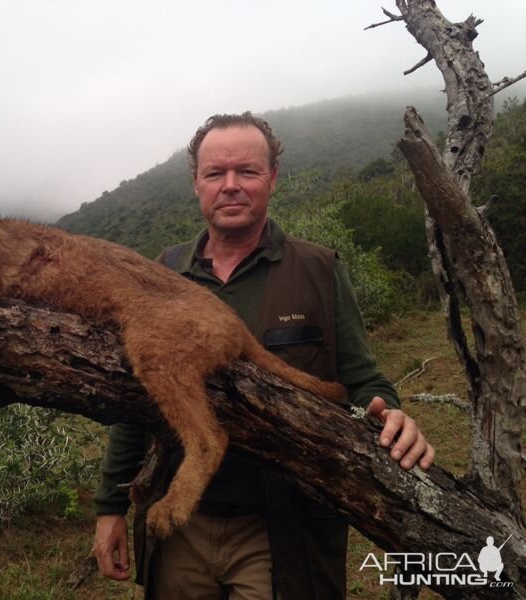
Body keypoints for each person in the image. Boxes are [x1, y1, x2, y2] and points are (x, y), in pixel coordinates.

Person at [92, 112, 435, 600]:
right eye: (215, 174)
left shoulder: (317, 269)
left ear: (272, 178)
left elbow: (361, 382)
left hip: (284, 528)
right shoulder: (161, 274)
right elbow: (133, 398)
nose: (230, 186)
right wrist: (110, 507)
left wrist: (391, 412)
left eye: (247, 172)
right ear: (196, 184)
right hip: (182, 525)